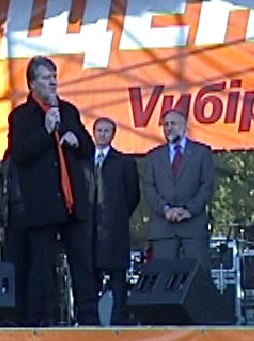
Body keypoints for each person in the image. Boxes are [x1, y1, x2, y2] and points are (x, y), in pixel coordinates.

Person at [8, 55, 98, 326]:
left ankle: (89, 321)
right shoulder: (22, 117)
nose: (53, 82)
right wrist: (46, 132)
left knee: (82, 265)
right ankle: (43, 323)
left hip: (72, 203)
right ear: (32, 84)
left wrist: (77, 140)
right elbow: (19, 154)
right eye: (46, 78)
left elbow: (89, 148)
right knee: (42, 267)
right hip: (42, 206)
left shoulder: (68, 111)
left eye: (55, 77)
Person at [142, 109, 215, 268]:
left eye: (173, 124)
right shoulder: (153, 156)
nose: (169, 128)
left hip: (193, 228)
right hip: (163, 229)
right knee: (164, 275)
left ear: (184, 126)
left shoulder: (201, 153)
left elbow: (207, 185)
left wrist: (189, 209)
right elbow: (148, 187)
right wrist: (166, 209)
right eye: (166, 124)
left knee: (198, 275)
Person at [91, 117, 140, 325]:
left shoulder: (124, 162)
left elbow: (133, 195)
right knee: (89, 280)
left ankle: (118, 321)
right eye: (99, 130)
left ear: (113, 135)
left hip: (115, 229)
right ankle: (89, 322)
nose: (102, 135)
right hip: (89, 231)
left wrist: (118, 215)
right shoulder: (84, 161)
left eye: (106, 131)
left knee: (118, 279)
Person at [0, 147, 32, 326]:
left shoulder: (40, 148)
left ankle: (34, 315)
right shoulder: (9, 156)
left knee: (35, 269)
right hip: (12, 217)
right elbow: (2, 188)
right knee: (14, 270)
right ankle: (16, 315)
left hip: (35, 215)